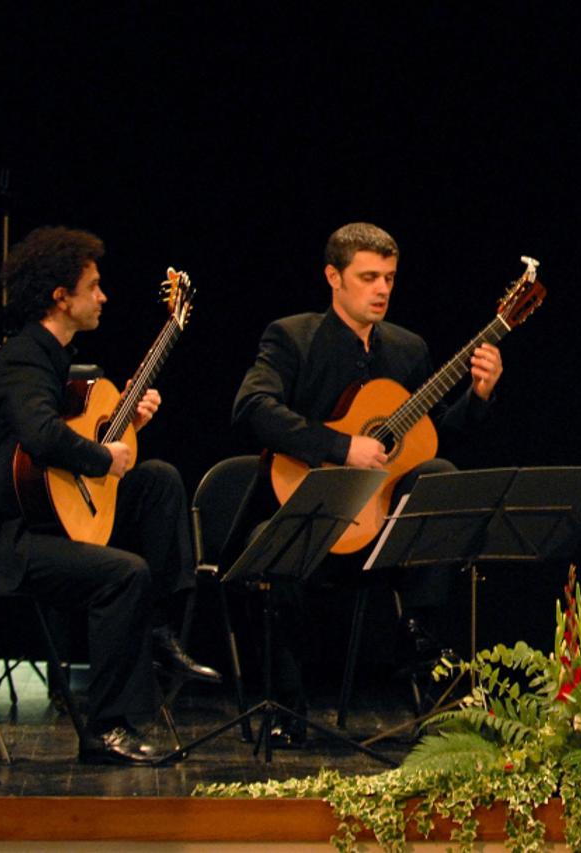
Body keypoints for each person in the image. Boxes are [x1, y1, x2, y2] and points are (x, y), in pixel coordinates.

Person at [0, 226, 218, 766]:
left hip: (40, 518)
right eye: (93, 286)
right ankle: (106, 730)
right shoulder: (24, 358)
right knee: (124, 574)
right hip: (3, 541)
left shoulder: (55, 360)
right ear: (60, 297)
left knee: (158, 478)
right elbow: (42, 435)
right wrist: (103, 456)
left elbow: (62, 438)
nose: (103, 297)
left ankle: (159, 628)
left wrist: (125, 424)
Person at [230, 221, 502, 744]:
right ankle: (287, 711)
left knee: (440, 477)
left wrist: (479, 397)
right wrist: (340, 447)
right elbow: (252, 408)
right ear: (334, 277)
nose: (382, 289)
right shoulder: (291, 337)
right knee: (267, 549)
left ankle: (416, 631)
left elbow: (428, 439)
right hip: (308, 520)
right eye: (369, 277)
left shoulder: (406, 348)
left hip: (379, 529)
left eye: (390, 278)